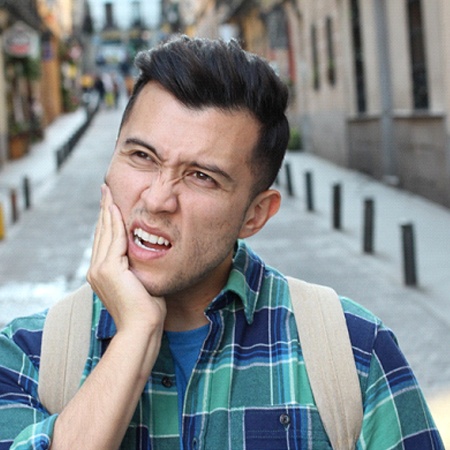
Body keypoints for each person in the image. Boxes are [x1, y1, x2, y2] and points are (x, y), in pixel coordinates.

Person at [0, 35, 443, 449]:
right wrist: (134, 335)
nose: (156, 199)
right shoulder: (26, 358)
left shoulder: (354, 355)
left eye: (201, 177)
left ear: (255, 215)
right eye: (141, 156)